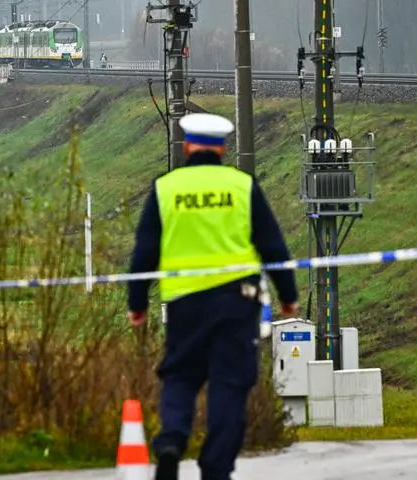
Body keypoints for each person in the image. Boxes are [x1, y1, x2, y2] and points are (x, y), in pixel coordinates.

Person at [128, 113, 299, 480]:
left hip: (184, 303)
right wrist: (289, 296)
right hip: (236, 304)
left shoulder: (165, 187)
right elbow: (272, 245)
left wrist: (137, 304)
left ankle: (172, 441)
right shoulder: (242, 186)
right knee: (229, 383)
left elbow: (144, 251)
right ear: (222, 148)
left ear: (188, 146)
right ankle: (216, 467)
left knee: (180, 375)